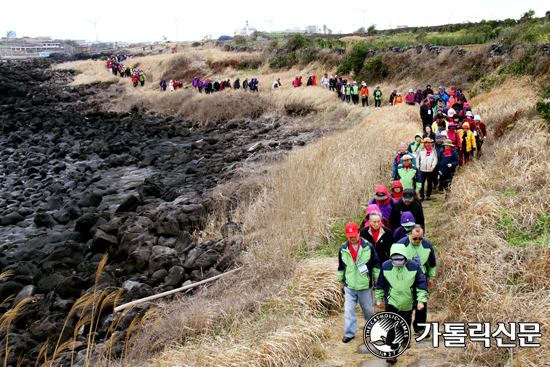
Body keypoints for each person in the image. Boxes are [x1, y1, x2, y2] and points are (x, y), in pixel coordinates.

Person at [375, 243, 428, 365]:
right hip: (391, 300)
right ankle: (391, 353)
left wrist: (421, 300)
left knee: (406, 321)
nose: (398, 261)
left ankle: (405, 339)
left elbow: (421, 284)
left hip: (407, 300)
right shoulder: (386, 266)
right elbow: (380, 284)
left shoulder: (414, 266)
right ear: (391, 258)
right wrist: (379, 298)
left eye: (401, 259)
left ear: (405, 257)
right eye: (395, 259)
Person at [338, 222, 380, 343]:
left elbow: (376, 264)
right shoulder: (343, 249)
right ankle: (349, 333)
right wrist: (341, 282)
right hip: (349, 286)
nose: (352, 237)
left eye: (354, 234)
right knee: (349, 310)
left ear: (359, 232)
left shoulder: (368, 247)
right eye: (349, 235)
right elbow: (341, 267)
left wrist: (377, 279)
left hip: (364, 285)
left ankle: (373, 331)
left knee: (368, 310)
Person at [396, 225, 436, 337]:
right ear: (410, 235)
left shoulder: (427, 245)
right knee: (405, 303)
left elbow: (431, 264)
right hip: (405, 277)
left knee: (421, 302)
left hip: (421, 277)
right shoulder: (401, 244)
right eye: (415, 238)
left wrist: (431, 278)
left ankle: (419, 328)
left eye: (420, 238)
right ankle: (403, 328)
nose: (418, 241)